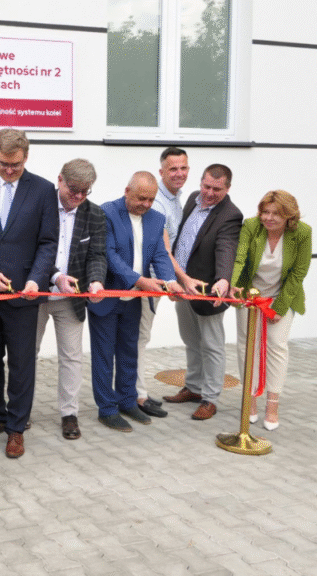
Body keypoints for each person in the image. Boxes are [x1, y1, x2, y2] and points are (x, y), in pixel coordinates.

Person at [0, 129, 58, 458]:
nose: (9, 170)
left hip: (25, 295)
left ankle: (17, 428)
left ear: (26, 156)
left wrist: (36, 279)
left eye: (15, 165)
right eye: (3, 164)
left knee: (21, 364)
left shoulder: (44, 191)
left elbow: (48, 242)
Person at [87, 172, 181, 432]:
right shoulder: (106, 212)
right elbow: (109, 254)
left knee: (129, 352)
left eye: (150, 199)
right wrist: (139, 280)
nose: (146, 204)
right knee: (104, 357)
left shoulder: (156, 219)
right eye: (141, 198)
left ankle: (128, 401)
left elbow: (160, 255)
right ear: (127, 191)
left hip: (135, 300)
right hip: (107, 297)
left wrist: (170, 281)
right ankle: (107, 409)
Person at [162, 164, 243, 420]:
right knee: (191, 341)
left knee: (212, 346)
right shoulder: (192, 200)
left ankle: (210, 399)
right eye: (206, 186)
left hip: (209, 292)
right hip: (184, 285)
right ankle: (194, 387)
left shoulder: (230, 215)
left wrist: (223, 280)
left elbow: (226, 248)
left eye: (216, 189)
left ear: (227, 188)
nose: (209, 193)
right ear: (200, 182)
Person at [35, 159, 107, 440]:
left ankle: (69, 414)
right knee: (26, 355)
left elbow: (97, 255)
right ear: (60, 180)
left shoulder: (95, 214)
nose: (77, 196)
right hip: (37, 292)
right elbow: (31, 249)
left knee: (72, 357)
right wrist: (55, 277)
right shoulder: (39, 206)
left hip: (71, 298)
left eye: (84, 191)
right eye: (73, 189)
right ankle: (20, 411)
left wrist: (96, 281)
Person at [229, 190, 312, 430]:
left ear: (289, 215)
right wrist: (234, 285)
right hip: (250, 295)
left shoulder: (302, 233)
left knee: (276, 346)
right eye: (265, 212)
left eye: (276, 213)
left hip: (281, 295)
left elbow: (299, 272)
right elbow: (240, 258)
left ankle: (272, 405)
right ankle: (250, 400)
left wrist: (280, 307)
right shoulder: (251, 226)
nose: (269, 218)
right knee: (247, 346)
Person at [134, 147, 191, 418]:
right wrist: (181, 280)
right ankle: (137, 395)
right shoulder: (157, 202)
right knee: (139, 338)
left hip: (158, 282)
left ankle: (137, 392)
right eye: (173, 169)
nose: (179, 173)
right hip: (148, 283)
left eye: (183, 168)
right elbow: (164, 251)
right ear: (162, 171)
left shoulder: (175, 199)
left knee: (140, 338)